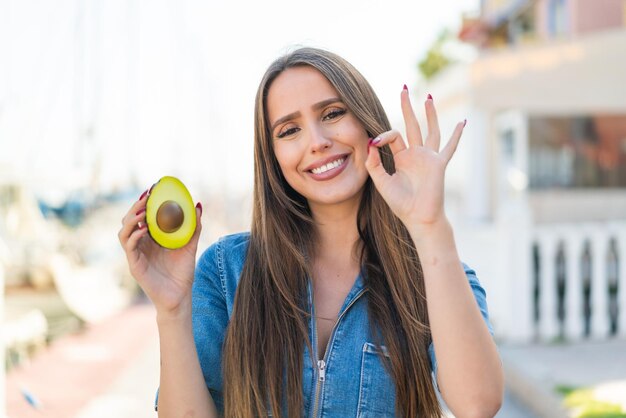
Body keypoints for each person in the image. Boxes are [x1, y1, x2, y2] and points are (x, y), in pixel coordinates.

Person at [118, 47, 504, 418]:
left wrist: (430, 226)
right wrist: (171, 311)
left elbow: (478, 405)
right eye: (289, 130)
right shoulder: (226, 270)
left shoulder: (434, 277)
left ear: (367, 121)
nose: (317, 142)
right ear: (273, 157)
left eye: (333, 113)